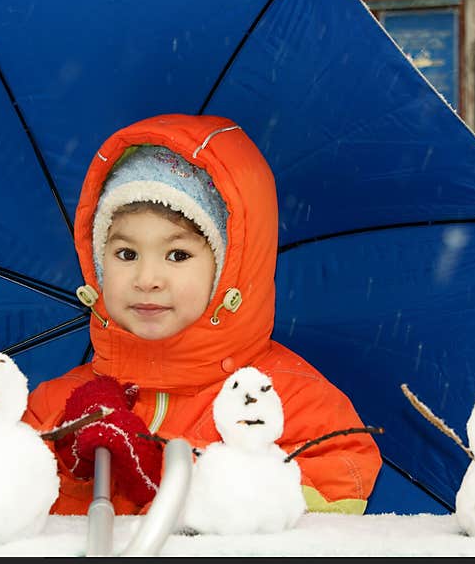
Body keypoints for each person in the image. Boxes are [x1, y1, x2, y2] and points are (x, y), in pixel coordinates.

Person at [22, 113, 381, 515]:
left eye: (178, 255)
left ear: (230, 270)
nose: (147, 278)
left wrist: (181, 480)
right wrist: (76, 473)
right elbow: (1, 508)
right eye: (126, 254)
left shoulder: (283, 400)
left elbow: (340, 478)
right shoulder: (54, 407)